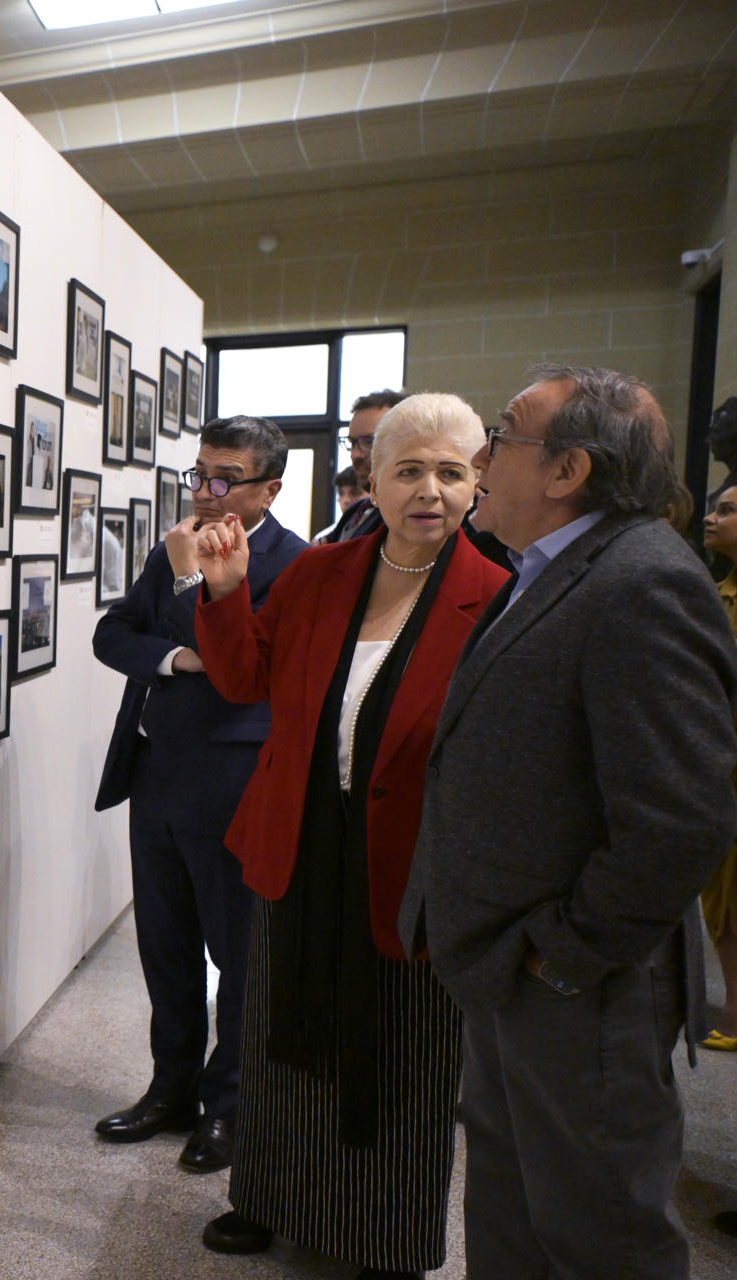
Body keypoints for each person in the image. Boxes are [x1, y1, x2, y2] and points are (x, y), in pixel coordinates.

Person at [400, 364, 737, 1280]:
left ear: (565, 473)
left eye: (502, 435)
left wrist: (563, 951)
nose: (479, 457)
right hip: (513, 966)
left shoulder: (641, 584)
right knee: (516, 1213)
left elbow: (680, 819)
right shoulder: (552, 569)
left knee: (600, 1235)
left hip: (575, 988)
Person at [186, 394, 510, 1278]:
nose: (430, 491)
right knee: (278, 1030)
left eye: (451, 471)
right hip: (297, 842)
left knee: (400, 1053)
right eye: (409, 470)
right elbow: (246, 677)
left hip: (411, 867)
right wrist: (222, 590)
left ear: (479, 482)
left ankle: (383, 1232)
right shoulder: (324, 573)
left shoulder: (499, 598)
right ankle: (267, 1196)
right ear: (373, 479)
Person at [91, 414, 309, 1172]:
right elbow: (112, 635)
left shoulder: (293, 564)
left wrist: (193, 589)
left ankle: (231, 1107)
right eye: (199, 474)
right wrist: (177, 656)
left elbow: (247, 663)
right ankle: (170, 1089)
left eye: (226, 479)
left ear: (269, 488)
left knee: (239, 952)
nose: (207, 492)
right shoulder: (173, 547)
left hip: (234, 779)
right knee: (166, 946)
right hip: (156, 771)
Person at [695, 482, 737, 1052]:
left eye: (726, 511)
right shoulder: (716, 592)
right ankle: (733, 1004)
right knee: (721, 894)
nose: (711, 518)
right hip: (720, 768)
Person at [320, 391, 406, 544]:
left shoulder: (413, 519)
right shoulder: (356, 512)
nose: (355, 455)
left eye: (369, 441)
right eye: (352, 443)